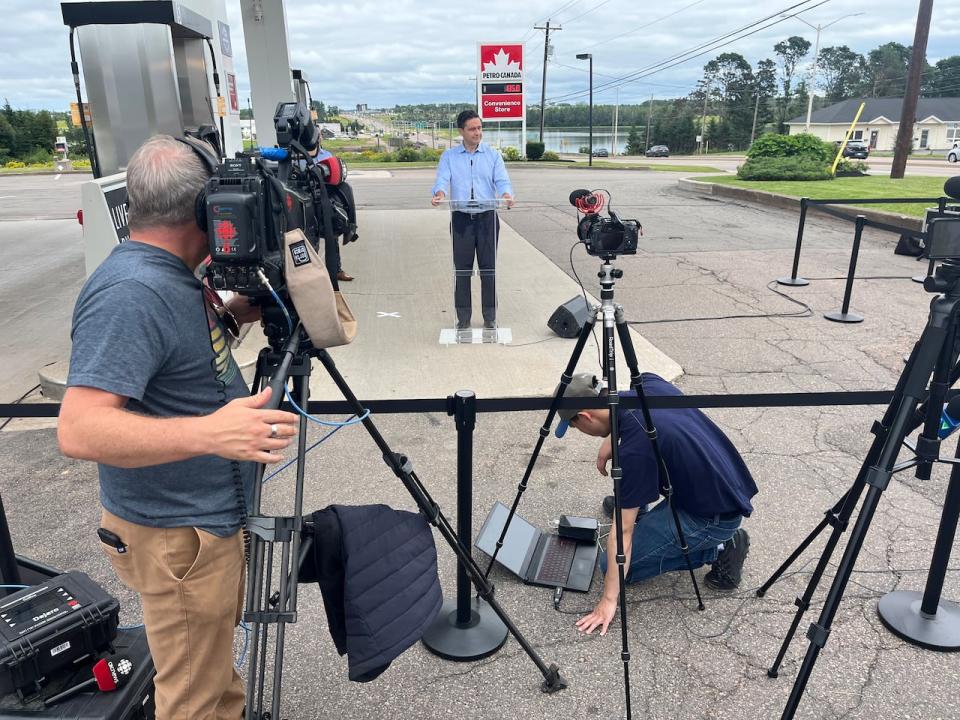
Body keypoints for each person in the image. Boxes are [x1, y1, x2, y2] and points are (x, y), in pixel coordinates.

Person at [57, 135, 300, 719]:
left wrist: (235, 313)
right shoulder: (132, 292)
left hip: (197, 526)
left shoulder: (168, 273)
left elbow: (176, 362)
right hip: (177, 537)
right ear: (204, 211)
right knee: (191, 697)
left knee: (211, 672)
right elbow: (80, 429)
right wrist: (210, 434)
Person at [553, 372, 758, 636]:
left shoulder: (635, 451)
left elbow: (623, 532)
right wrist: (611, 439)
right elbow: (637, 413)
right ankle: (638, 505)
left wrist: (608, 601)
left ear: (585, 417)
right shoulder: (648, 386)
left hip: (711, 517)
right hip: (719, 487)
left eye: (573, 426)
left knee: (611, 567)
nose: (577, 431)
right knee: (631, 495)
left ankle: (722, 547)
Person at [431, 109, 514, 330]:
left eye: (479, 128)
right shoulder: (449, 156)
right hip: (461, 220)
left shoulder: (492, 155)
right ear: (461, 131)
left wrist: (506, 194)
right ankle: (463, 318)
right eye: (472, 129)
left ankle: (490, 317)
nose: (477, 133)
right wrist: (439, 193)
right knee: (462, 271)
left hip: (487, 219)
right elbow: (442, 179)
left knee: (488, 270)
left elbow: (502, 180)